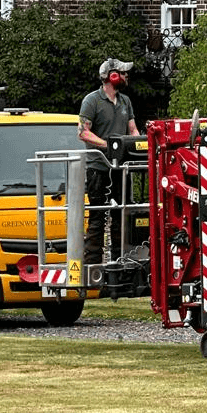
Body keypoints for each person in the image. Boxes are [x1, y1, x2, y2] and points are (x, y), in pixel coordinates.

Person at [78, 58, 140, 265]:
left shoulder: (125, 101)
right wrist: (109, 146)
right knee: (97, 219)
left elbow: (133, 130)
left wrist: (137, 146)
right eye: (123, 73)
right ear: (112, 76)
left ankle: (120, 263)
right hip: (99, 168)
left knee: (122, 216)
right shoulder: (92, 100)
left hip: (121, 168)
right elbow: (83, 132)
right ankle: (93, 266)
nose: (126, 76)